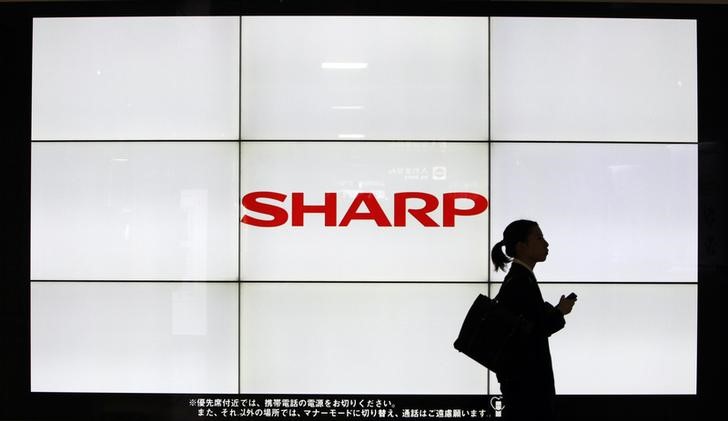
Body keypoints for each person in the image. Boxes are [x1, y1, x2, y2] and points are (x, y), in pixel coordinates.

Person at [491, 220, 576, 421]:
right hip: (528, 385)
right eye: (538, 238)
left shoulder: (519, 278)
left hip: (522, 383)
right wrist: (559, 313)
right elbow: (533, 331)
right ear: (521, 246)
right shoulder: (521, 281)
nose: (546, 243)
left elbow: (527, 325)